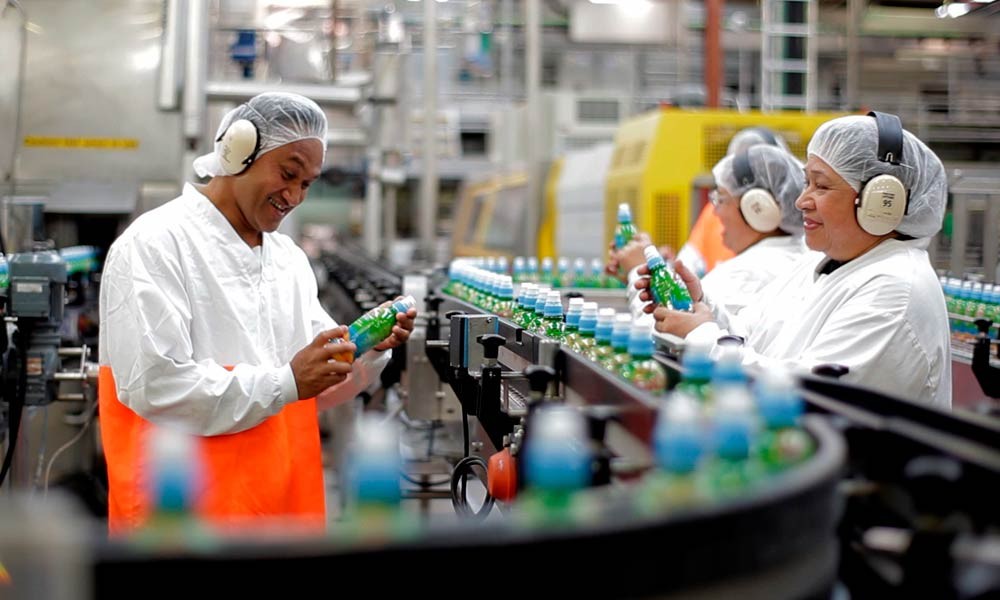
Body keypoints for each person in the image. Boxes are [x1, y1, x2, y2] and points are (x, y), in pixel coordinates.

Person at [98, 92, 416, 533]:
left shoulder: (287, 258)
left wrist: (366, 351)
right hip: (183, 517)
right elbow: (154, 385)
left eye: (307, 183)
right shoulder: (155, 244)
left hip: (282, 509)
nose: (295, 195)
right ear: (238, 152)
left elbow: (314, 388)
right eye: (288, 173)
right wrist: (286, 381)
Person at [641, 112, 952, 408]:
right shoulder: (822, 264)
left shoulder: (894, 291)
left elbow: (806, 396)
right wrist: (699, 304)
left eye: (821, 185)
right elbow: (749, 333)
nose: (801, 201)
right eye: (806, 183)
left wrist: (701, 335)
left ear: (881, 202)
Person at [613, 144, 808, 319]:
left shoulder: (749, 272)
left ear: (757, 209)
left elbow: (666, 330)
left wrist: (635, 269)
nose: (715, 212)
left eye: (721, 199)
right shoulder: (799, 258)